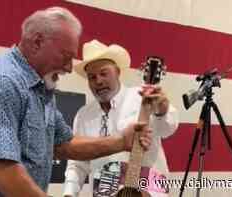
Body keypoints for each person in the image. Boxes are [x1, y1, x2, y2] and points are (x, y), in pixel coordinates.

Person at [0, 7, 153, 197]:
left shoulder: (41, 89)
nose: (70, 68)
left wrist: (121, 141)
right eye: (66, 56)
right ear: (37, 42)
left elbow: (63, 143)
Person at [63, 40, 179, 197]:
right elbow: (78, 162)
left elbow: (167, 129)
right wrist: (69, 193)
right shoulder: (83, 115)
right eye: (92, 77)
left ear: (117, 72)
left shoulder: (143, 96)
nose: (98, 81)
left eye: (104, 73)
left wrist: (162, 109)